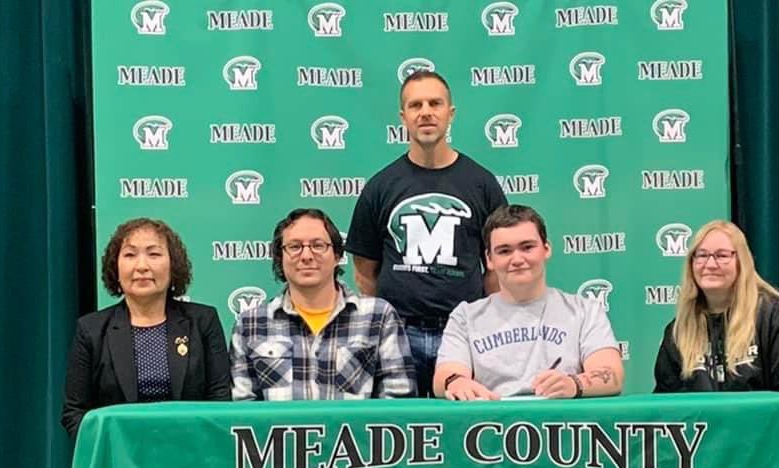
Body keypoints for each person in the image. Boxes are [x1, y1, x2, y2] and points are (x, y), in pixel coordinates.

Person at [344, 69, 507, 397]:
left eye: (435, 103)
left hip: (464, 333)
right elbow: (364, 273)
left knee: (464, 427)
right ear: (403, 117)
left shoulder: (482, 184)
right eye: (415, 105)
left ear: (451, 113)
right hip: (398, 334)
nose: (426, 112)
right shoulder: (380, 186)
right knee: (399, 431)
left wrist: (481, 322)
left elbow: (495, 269)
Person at [61, 218, 231, 438]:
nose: (142, 266)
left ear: (173, 265)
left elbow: (220, 402)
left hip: (192, 455)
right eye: (130, 255)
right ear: (115, 266)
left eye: (154, 254)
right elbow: (74, 413)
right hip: (120, 461)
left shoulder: (203, 321)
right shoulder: (91, 329)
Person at [433, 205, 624, 400]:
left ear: (546, 249)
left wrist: (575, 383)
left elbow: (612, 374)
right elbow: (444, 376)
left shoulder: (585, 310)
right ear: (489, 260)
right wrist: (457, 382)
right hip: (492, 422)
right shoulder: (465, 316)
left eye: (527, 247)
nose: (517, 259)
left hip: (563, 422)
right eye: (504, 251)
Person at [230, 208, 416, 400]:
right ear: (280, 257)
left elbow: (397, 402)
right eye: (294, 247)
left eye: (318, 246)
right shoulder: (251, 324)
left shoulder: (378, 316)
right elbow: (242, 410)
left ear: (336, 255)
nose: (306, 256)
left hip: (353, 430)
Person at [653, 219, 779, 392]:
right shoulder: (679, 330)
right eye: (702, 255)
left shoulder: (776, 318)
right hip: (703, 419)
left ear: (741, 262)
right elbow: (665, 402)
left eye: (722, 256)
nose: (710, 265)